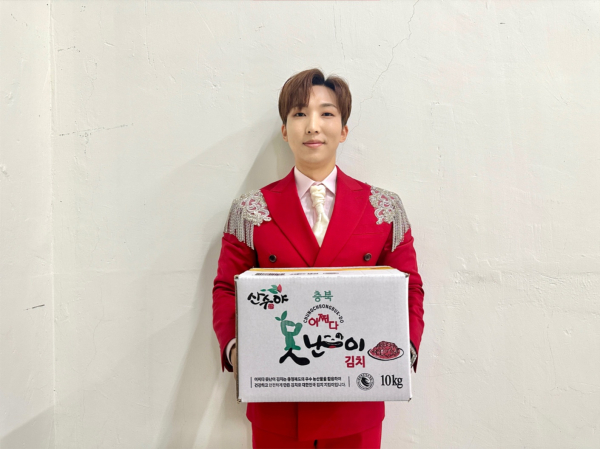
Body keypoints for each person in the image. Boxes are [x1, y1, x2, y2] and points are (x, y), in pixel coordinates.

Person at [213, 68, 425, 449]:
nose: (313, 125)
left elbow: (409, 289)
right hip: (278, 405)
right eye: (299, 113)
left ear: (343, 129)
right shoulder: (250, 211)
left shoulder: (383, 209)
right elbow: (227, 288)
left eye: (326, 113)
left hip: (356, 403)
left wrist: (400, 349)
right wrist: (236, 349)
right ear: (284, 130)